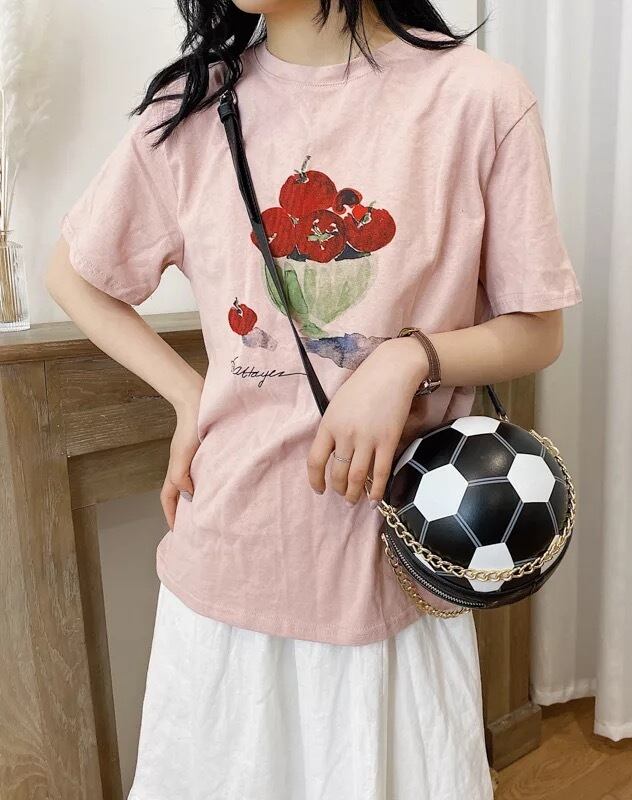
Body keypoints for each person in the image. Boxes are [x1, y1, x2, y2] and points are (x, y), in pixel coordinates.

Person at [46, 1, 583, 797]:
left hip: (388, 568)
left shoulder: (478, 100)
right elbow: (75, 276)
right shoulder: (196, 107)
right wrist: (189, 398)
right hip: (230, 557)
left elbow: (537, 329)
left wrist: (408, 359)